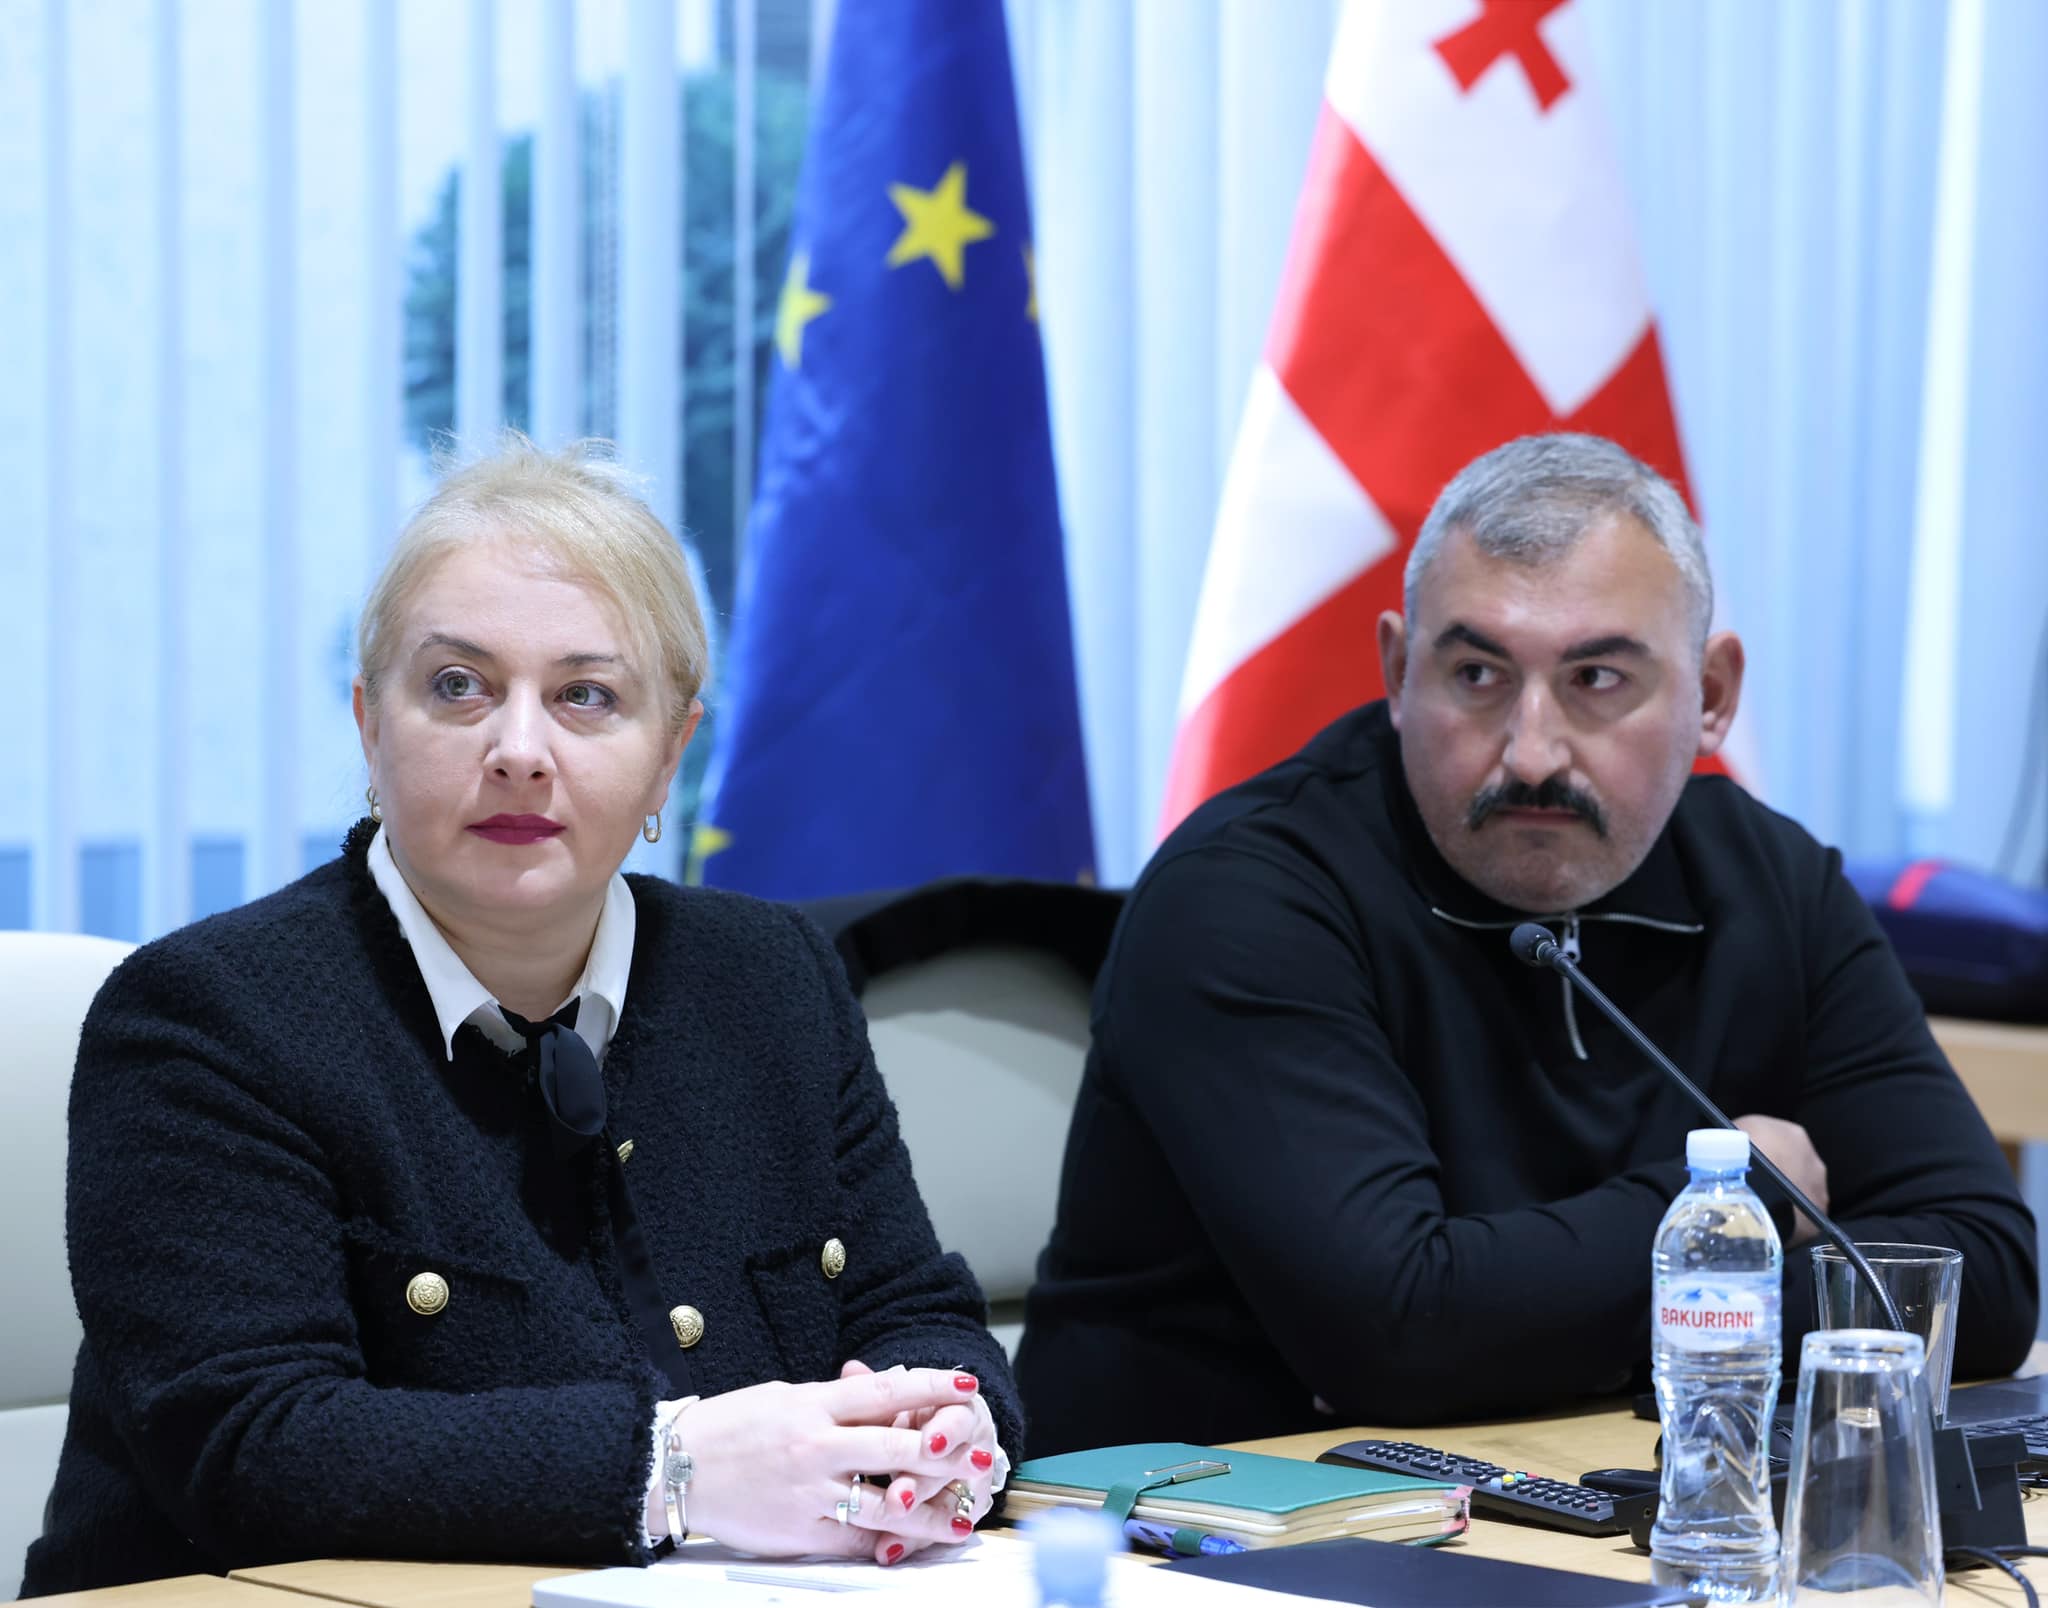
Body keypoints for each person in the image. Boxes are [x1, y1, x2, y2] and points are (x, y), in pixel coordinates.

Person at [23, 438, 1017, 1595]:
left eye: (586, 696)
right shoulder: (207, 1018)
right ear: (370, 726)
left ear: (670, 756)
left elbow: (911, 1309)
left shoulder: (770, 976)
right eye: (458, 687)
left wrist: (942, 1430)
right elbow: (251, 1445)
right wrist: (678, 1470)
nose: (519, 753)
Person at [1016, 432, 2038, 1455]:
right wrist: (1732, 1214)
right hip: (1211, 1514)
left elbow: (1976, 1283)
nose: (1533, 752)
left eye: (1597, 679)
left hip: (1580, 1487)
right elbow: (1395, 1330)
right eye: (1476, 674)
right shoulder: (1246, 893)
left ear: (1713, 697)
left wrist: (1555, 1309)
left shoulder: (1772, 883)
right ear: (1396, 673)